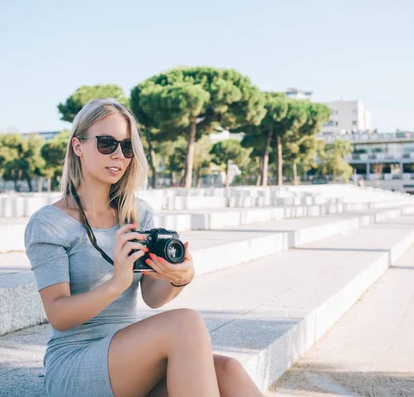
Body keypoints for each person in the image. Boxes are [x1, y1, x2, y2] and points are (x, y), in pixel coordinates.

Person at [24, 98, 262, 397]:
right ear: (78, 146)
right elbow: (58, 314)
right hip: (75, 364)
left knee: (228, 370)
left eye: (126, 147)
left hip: (130, 359)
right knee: (185, 323)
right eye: (107, 143)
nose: (119, 155)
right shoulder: (50, 222)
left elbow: (152, 296)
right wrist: (117, 283)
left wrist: (179, 277)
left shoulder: (138, 214)